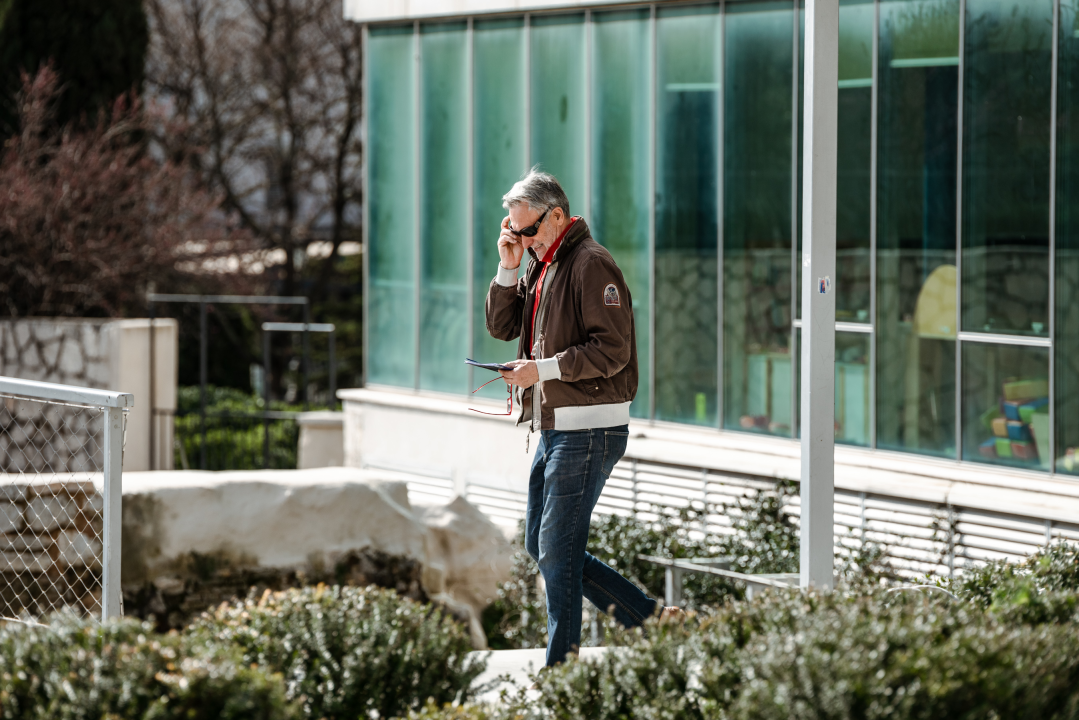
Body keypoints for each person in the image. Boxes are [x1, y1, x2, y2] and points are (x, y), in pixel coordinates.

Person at [485, 167, 681, 668]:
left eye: (527, 230)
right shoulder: (538, 262)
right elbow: (501, 325)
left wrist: (542, 371)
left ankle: (562, 673)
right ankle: (652, 619)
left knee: (555, 551)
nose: (522, 240)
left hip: (589, 427)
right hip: (556, 426)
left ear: (556, 216)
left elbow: (612, 350)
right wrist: (508, 267)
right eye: (513, 231)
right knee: (541, 545)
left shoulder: (591, 263)